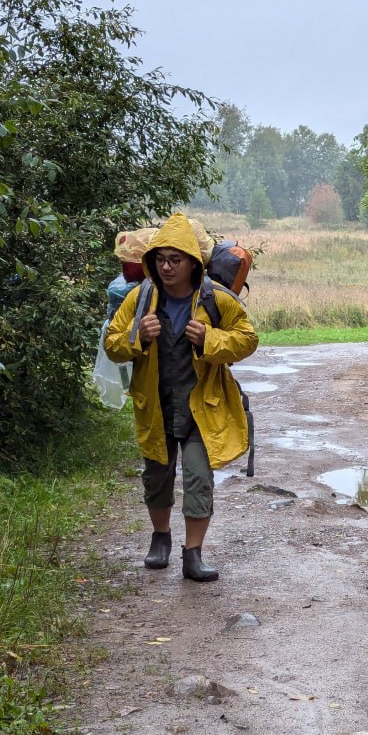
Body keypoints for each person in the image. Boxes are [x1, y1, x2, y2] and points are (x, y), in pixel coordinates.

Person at [105, 212, 258, 580]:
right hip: (156, 405)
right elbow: (113, 343)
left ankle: (193, 554)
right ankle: (161, 539)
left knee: (198, 478)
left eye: (175, 260)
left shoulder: (214, 299)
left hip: (202, 407)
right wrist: (137, 336)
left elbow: (248, 338)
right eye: (161, 259)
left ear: (193, 263)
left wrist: (211, 339)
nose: (167, 267)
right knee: (157, 476)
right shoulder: (142, 297)